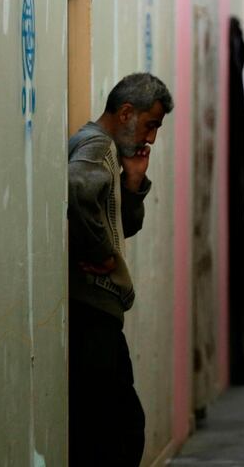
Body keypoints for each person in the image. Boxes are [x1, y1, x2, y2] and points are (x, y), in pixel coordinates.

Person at [67, 73, 173, 465]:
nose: (151, 138)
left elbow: (122, 225)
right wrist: (101, 252)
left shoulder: (108, 151)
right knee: (115, 428)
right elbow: (76, 189)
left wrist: (133, 184)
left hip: (100, 309)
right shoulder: (95, 145)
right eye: (150, 125)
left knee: (114, 423)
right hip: (90, 307)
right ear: (126, 112)